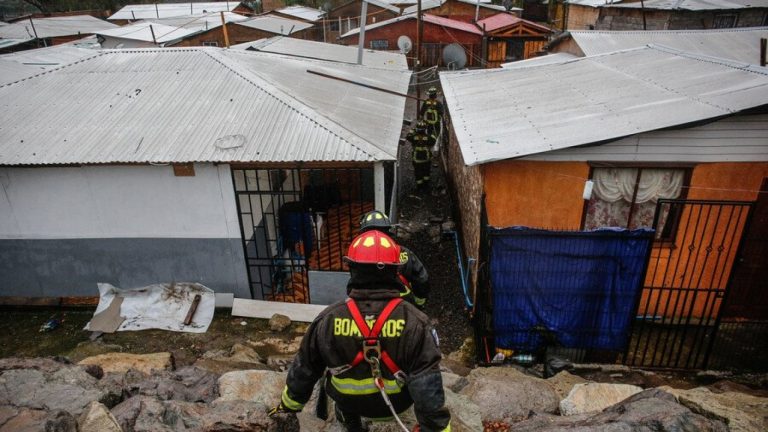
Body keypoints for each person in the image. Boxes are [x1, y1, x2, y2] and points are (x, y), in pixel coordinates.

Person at [269, 230, 451, 432]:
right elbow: (427, 386)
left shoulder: (328, 319)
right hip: (398, 405)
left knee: (338, 389)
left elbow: (304, 369)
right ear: (394, 270)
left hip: (349, 403)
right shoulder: (415, 321)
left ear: (352, 268)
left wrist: (286, 408)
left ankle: (352, 426)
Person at [359, 210, 430, 310]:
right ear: (388, 231)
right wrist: (419, 303)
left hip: (368, 310)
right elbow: (422, 279)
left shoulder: (358, 256)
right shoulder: (403, 253)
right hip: (402, 308)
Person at [407, 121, 434, 192]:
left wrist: (413, 130)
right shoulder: (428, 137)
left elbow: (408, 136)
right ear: (425, 129)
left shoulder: (413, 137)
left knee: (418, 173)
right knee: (426, 173)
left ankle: (419, 188)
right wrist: (429, 132)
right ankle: (426, 186)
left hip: (416, 160)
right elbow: (433, 139)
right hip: (426, 160)